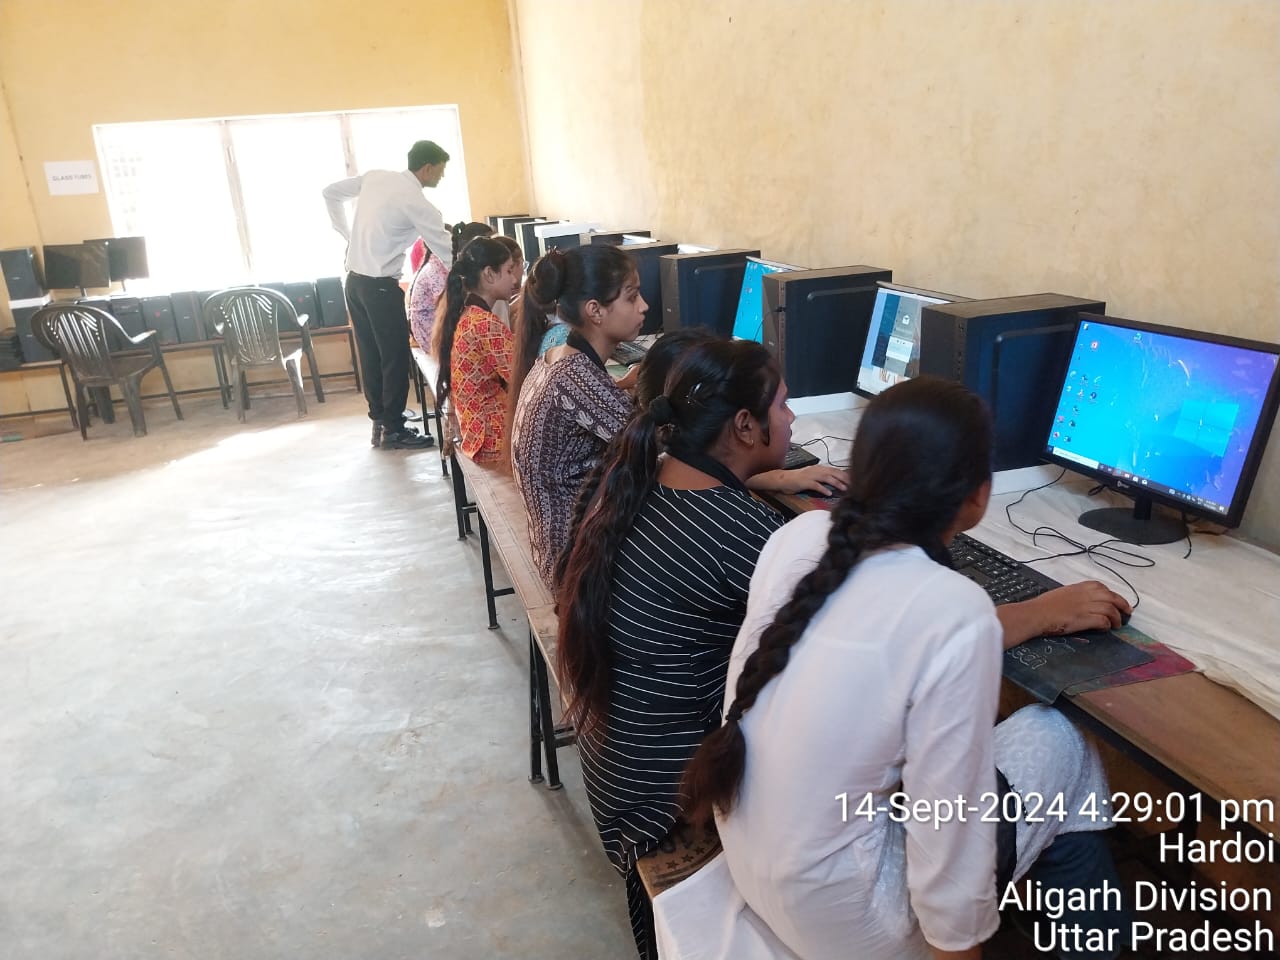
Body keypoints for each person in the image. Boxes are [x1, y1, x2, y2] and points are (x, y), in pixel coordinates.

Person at [668, 377, 1129, 960]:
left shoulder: (800, 536)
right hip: (852, 922)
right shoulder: (953, 610)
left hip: (760, 862)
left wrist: (1027, 617)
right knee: (1062, 740)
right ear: (978, 497)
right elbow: (951, 841)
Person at [557, 337, 793, 960]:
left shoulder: (639, 482)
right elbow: (866, 631)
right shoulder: (747, 534)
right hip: (665, 802)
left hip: (618, 771)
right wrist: (1031, 613)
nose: (792, 421)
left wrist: (767, 475)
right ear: (745, 425)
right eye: (784, 407)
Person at [508, 244, 645, 590]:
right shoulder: (575, 377)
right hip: (573, 565)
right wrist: (769, 477)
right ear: (595, 311)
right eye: (632, 297)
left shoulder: (557, 355)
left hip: (556, 544)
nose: (644, 306)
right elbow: (658, 448)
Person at [322, 139, 450, 450]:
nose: (442, 177)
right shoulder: (418, 202)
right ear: (428, 167)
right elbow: (447, 250)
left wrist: (347, 235)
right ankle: (394, 430)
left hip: (353, 283)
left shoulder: (376, 177)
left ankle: (380, 418)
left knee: (371, 354)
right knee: (393, 356)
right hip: (380, 288)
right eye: (441, 171)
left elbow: (330, 193)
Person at [432, 237, 521, 463]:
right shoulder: (485, 323)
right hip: (493, 436)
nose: (515, 278)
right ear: (489, 274)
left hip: (476, 430)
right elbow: (522, 379)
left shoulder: (467, 314)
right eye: (509, 271)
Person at [408, 221, 492, 352]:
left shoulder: (436, 264)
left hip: (431, 332)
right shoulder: (434, 270)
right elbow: (448, 306)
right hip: (431, 338)